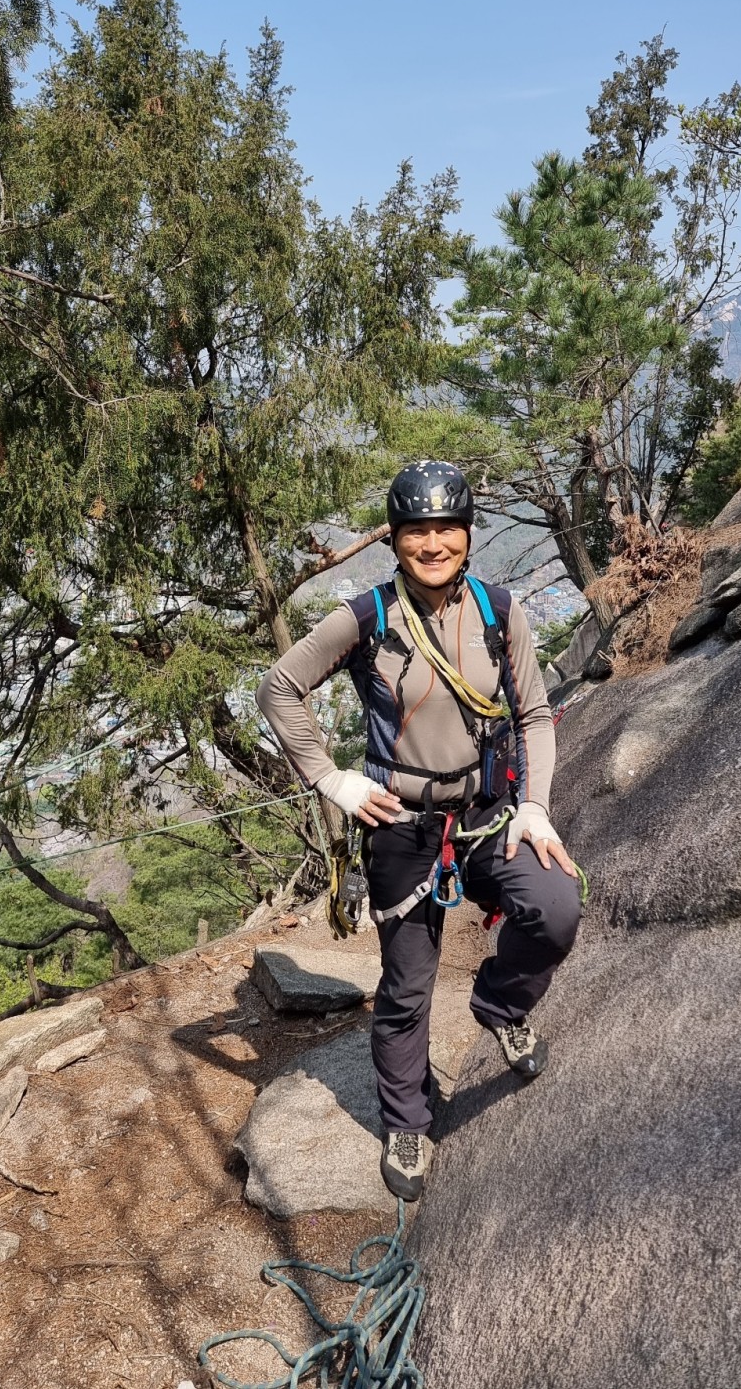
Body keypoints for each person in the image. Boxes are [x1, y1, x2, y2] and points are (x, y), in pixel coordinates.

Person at [256, 461, 582, 1202]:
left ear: (467, 535)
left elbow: (532, 715)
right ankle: (408, 1117)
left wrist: (535, 805)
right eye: (416, 531)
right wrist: (332, 778)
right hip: (401, 824)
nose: (432, 543)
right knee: (407, 988)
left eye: (445, 528)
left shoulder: (501, 612)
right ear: (395, 539)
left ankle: (501, 1005)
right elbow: (280, 688)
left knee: (556, 907)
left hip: (489, 812)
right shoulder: (368, 618)